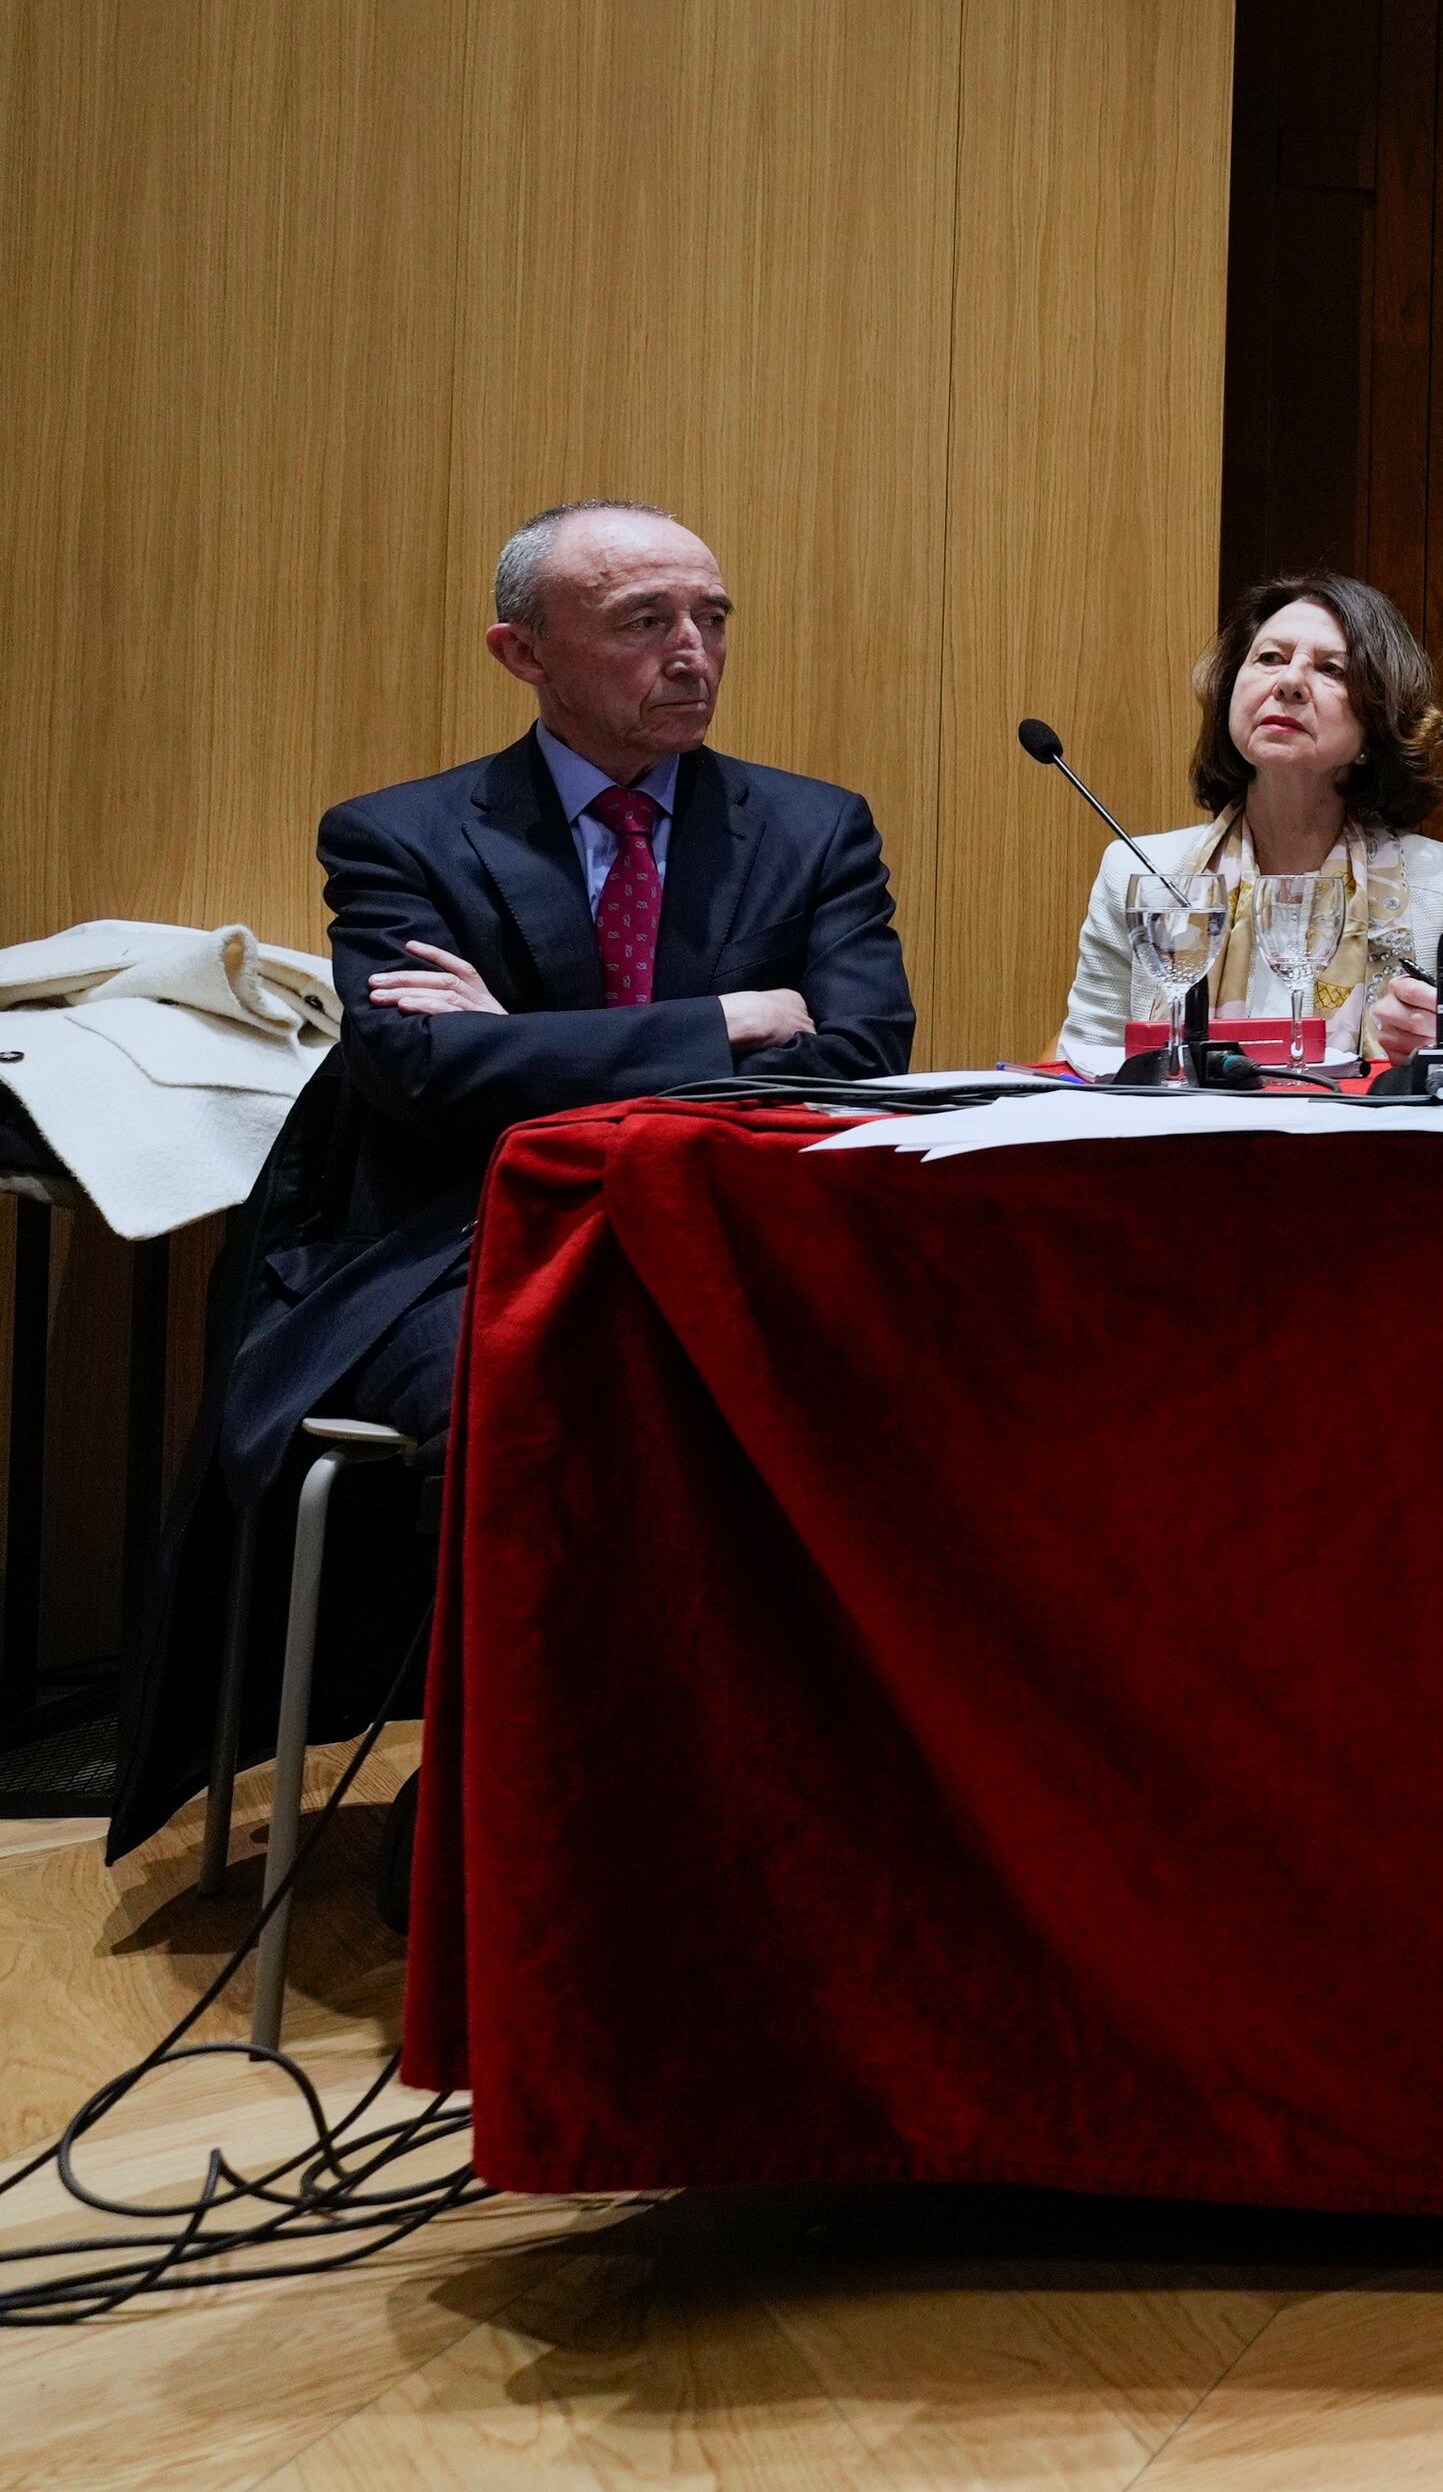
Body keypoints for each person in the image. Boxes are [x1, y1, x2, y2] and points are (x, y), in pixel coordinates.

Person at [110, 499, 914, 1864]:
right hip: (454, 1244)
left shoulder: (811, 828)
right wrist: (727, 1019)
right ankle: (505, 1800)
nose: (694, 652)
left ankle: (782, 1788)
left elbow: (853, 1056)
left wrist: (525, 1047)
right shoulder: (401, 835)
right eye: (643, 621)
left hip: (727, 1224)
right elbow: (422, 1076)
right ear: (521, 650)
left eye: (711, 617)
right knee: (532, 1388)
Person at [1056, 573, 1443, 1070]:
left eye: (1330, 669)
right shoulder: (1141, 872)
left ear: (1378, 720)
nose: (1289, 683)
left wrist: (1439, 1047)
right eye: (1269, 659)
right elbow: (1085, 1063)